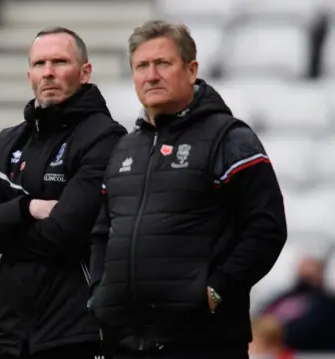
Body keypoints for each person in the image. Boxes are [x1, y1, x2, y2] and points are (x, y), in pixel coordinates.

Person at [87, 20, 287, 359]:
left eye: (163, 63)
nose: (151, 75)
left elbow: (267, 229)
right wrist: (99, 294)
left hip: (204, 342)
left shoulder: (230, 138)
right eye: (141, 66)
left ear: (191, 69)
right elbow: (102, 233)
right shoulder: (124, 148)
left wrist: (215, 291)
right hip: (125, 343)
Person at [0, 26, 127, 359]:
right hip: (11, 334)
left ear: (85, 71)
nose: (48, 72)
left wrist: (3, 229)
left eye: (60, 62)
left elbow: (63, 232)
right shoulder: (9, 141)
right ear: (29, 74)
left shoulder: (105, 137)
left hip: (74, 331)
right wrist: (26, 209)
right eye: (40, 64)